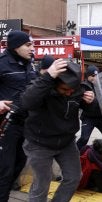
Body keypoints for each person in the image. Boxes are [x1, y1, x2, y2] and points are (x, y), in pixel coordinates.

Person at [21, 59, 95, 202]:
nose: (68, 93)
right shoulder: (42, 86)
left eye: (71, 90)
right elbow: (26, 102)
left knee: (74, 177)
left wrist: (91, 101)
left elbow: (90, 110)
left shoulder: (76, 89)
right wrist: (48, 76)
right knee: (42, 183)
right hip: (39, 143)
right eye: (64, 90)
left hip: (66, 142)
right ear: (54, 83)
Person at [0, 30, 37, 201]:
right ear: (16, 46)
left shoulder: (29, 64)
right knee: (5, 169)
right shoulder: (2, 64)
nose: (32, 48)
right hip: (5, 125)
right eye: (28, 45)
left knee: (19, 164)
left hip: (25, 123)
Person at [76, 65, 102, 150]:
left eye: (97, 75)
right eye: (93, 76)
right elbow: (89, 101)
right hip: (88, 117)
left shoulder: (100, 84)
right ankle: (75, 153)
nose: (95, 78)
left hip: (100, 116)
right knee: (84, 138)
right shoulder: (84, 86)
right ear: (88, 76)